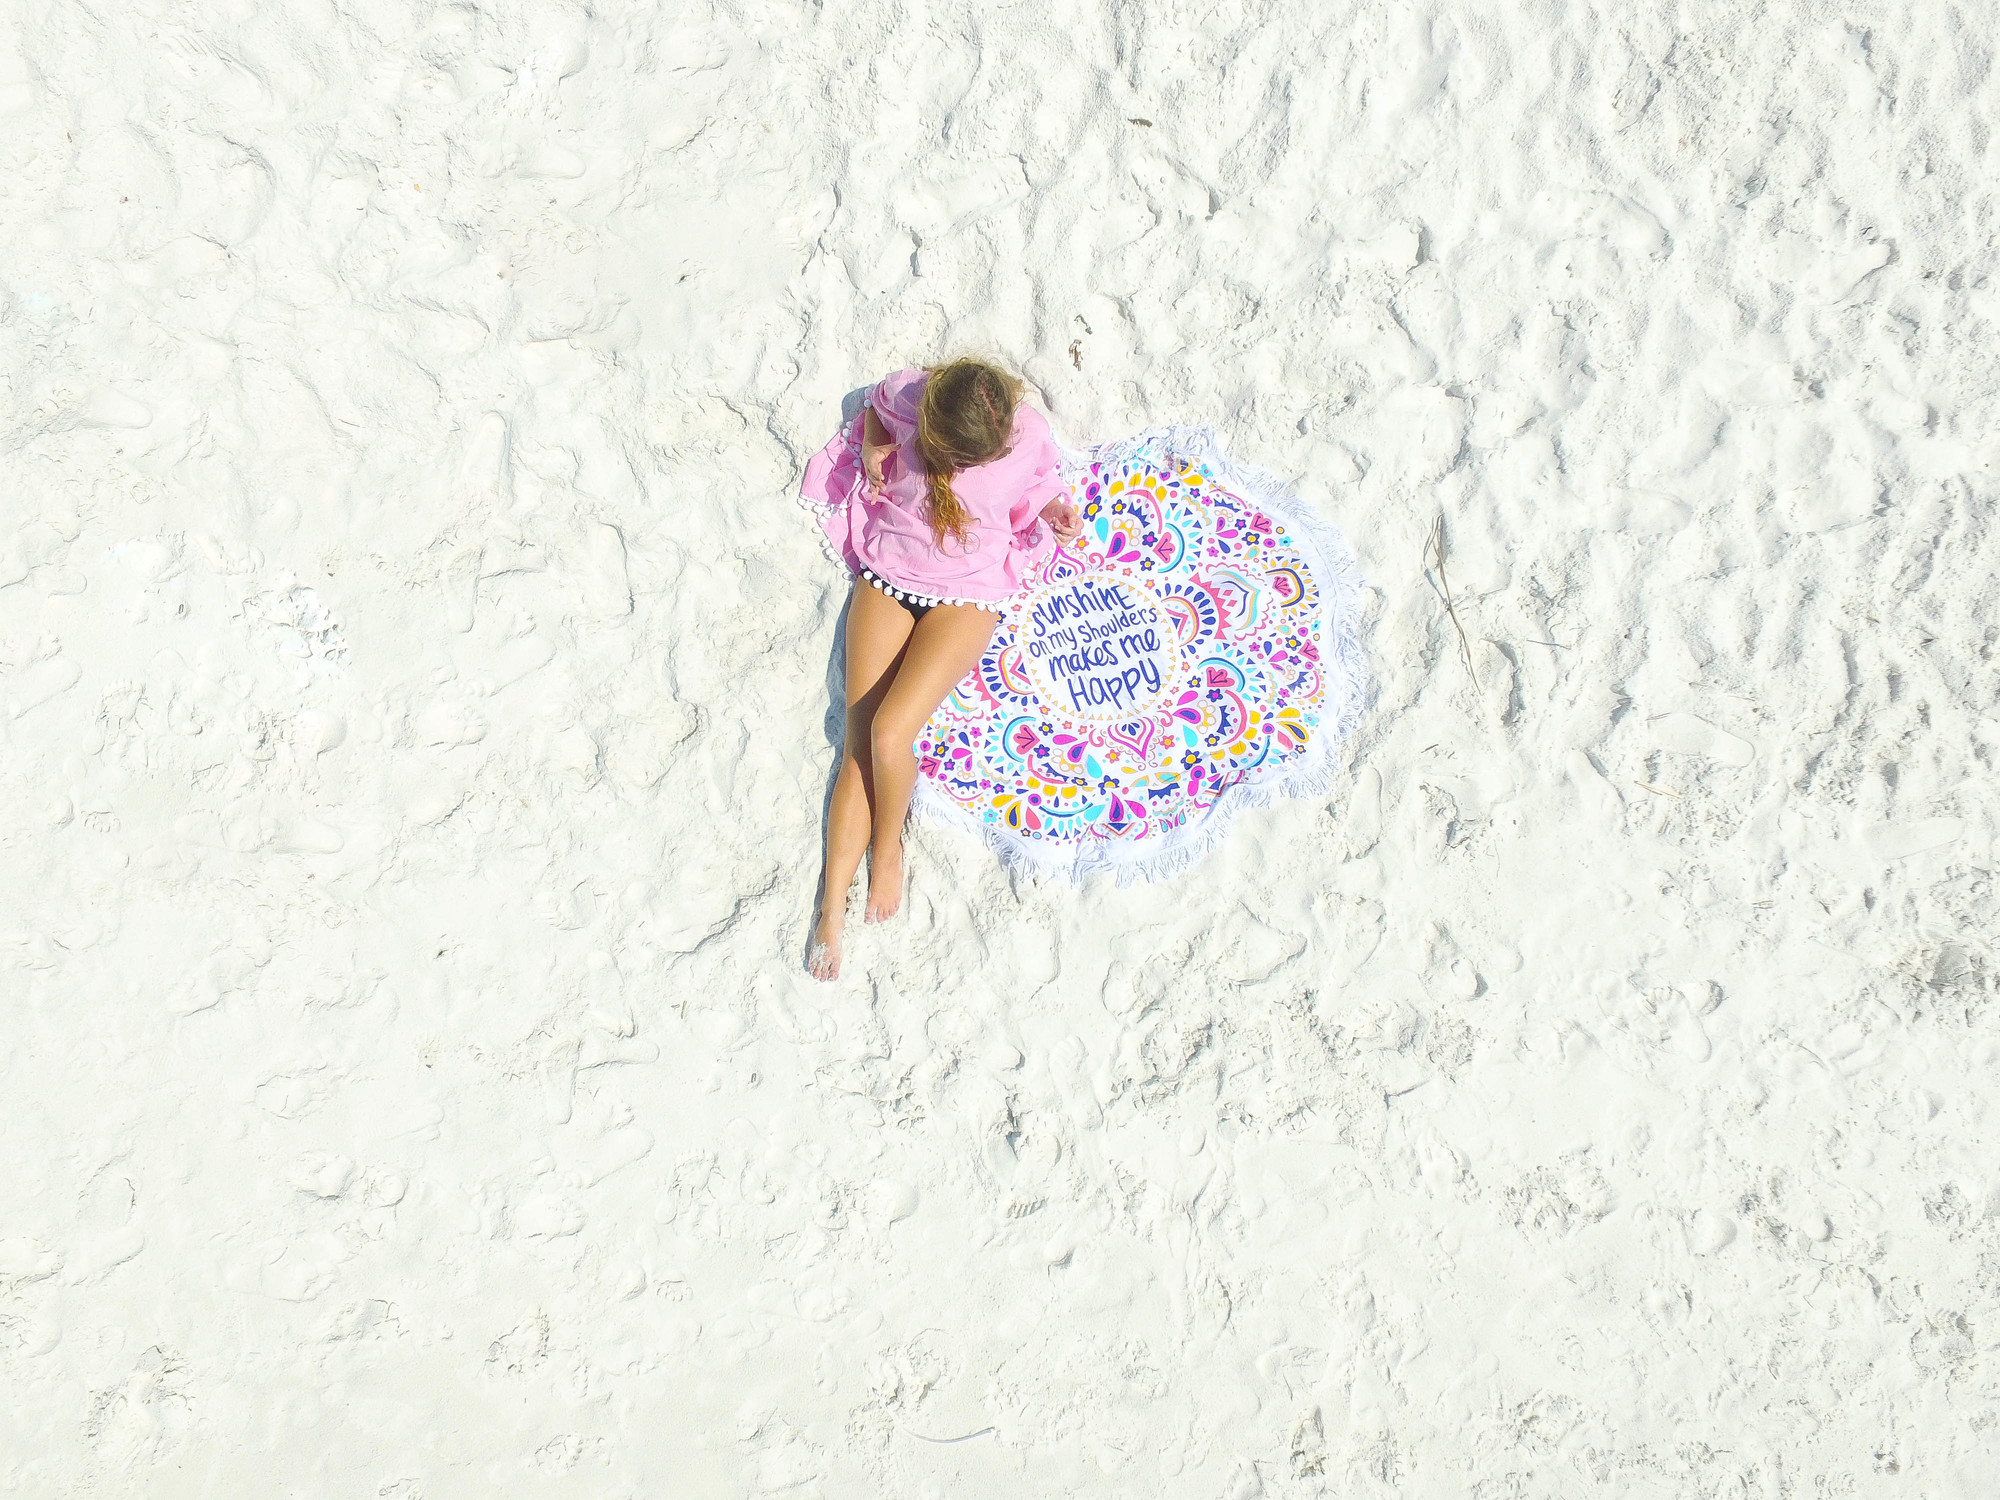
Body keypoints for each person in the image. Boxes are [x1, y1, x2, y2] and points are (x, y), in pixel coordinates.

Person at [799, 358, 1083, 980]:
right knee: (856, 743)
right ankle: (829, 911)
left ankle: (889, 842)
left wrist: (1057, 514)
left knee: (890, 735)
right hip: (890, 573)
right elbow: (878, 411)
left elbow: (1040, 492)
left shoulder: (1026, 434)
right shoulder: (911, 393)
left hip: (966, 594)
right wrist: (875, 447)